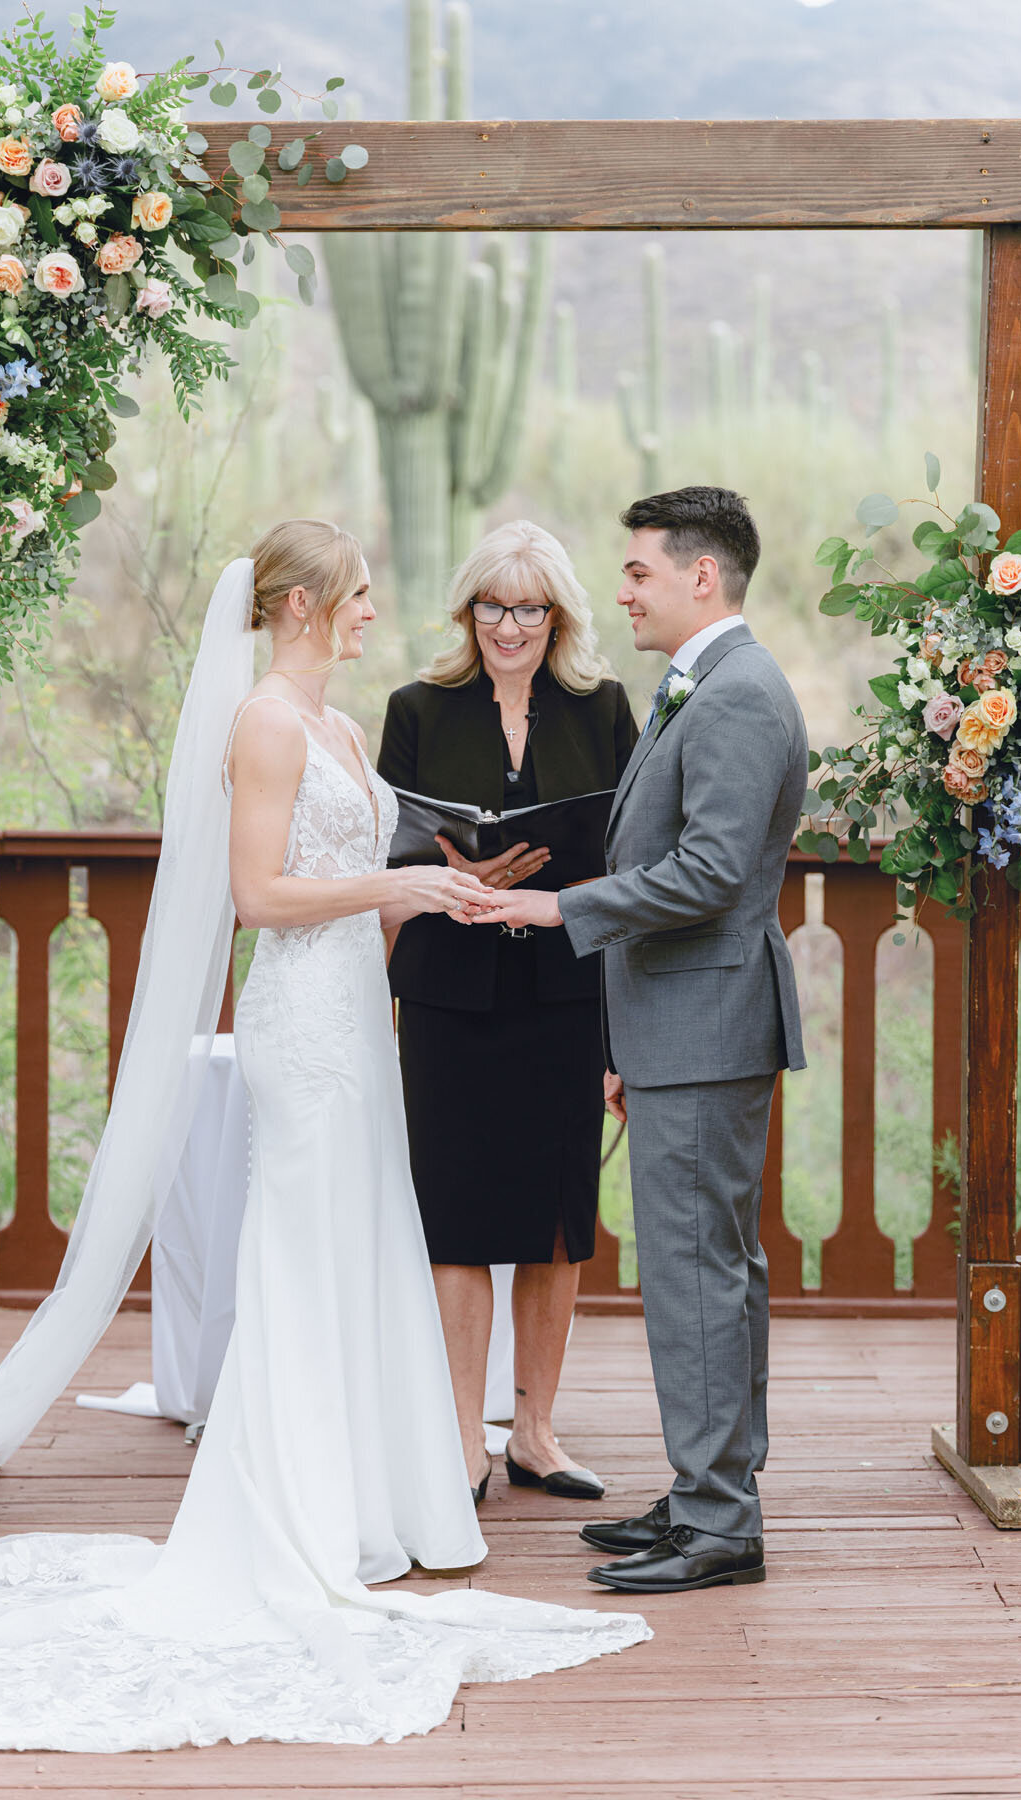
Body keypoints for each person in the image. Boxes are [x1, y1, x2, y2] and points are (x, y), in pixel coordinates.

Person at [0, 520, 648, 1752]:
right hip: (303, 1022)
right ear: (302, 605)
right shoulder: (261, 723)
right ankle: (297, 1508)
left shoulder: (345, 732)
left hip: (362, 1016)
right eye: (358, 595)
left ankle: (379, 1493)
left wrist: (450, 887)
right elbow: (260, 897)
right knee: (304, 1253)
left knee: (370, 1241)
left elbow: (386, 859)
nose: (373, 613)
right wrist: (400, 889)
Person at [479, 487, 807, 1597]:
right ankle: (711, 1492)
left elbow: (714, 873)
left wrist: (563, 910)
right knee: (711, 1272)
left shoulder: (738, 697)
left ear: (700, 576)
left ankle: (719, 1522)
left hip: (705, 1024)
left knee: (696, 1275)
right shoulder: (705, 686)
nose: (621, 590)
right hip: (679, 1026)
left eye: (637, 572)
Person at [378, 520, 637, 1504]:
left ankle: (535, 1431)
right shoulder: (417, 709)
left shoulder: (605, 709)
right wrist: (457, 873)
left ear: (558, 616)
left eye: (530, 608)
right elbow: (393, 859)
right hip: (452, 996)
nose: (510, 627)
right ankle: (463, 1439)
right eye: (493, 606)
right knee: (457, 1220)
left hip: (566, 998)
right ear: (468, 611)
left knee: (559, 1226)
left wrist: (619, 1040)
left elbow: (626, 870)